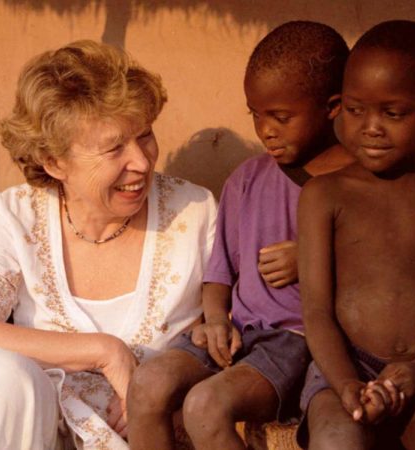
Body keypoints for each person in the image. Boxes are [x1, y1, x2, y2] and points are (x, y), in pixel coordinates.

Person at [0, 40, 216, 450]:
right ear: (54, 162)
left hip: (142, 440)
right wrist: (104, 352)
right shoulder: (15, 214)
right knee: (5, 373)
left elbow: (232, 332)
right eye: (114, 148)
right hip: (35, 437)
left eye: (144, 135)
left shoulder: (195, 212)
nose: (143, 162)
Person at [126, 21, 352, 449]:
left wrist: (313, 256)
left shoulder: (358, 186)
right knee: (149, 382)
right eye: (256, 114)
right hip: (236, 333)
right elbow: (219, 273)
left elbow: (382, 267)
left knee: (204, 406)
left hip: (294, 342)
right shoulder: (247, 179)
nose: (265, 129)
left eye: (281, 117)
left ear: (332, 106)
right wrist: (214, 321)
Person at [297, 20, 415, 449]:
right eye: (355, 110)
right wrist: (346, 384)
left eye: (393, 113)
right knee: (334, 438)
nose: (371, 127)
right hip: (342, 367)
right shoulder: (323, 195)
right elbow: (316, 313)